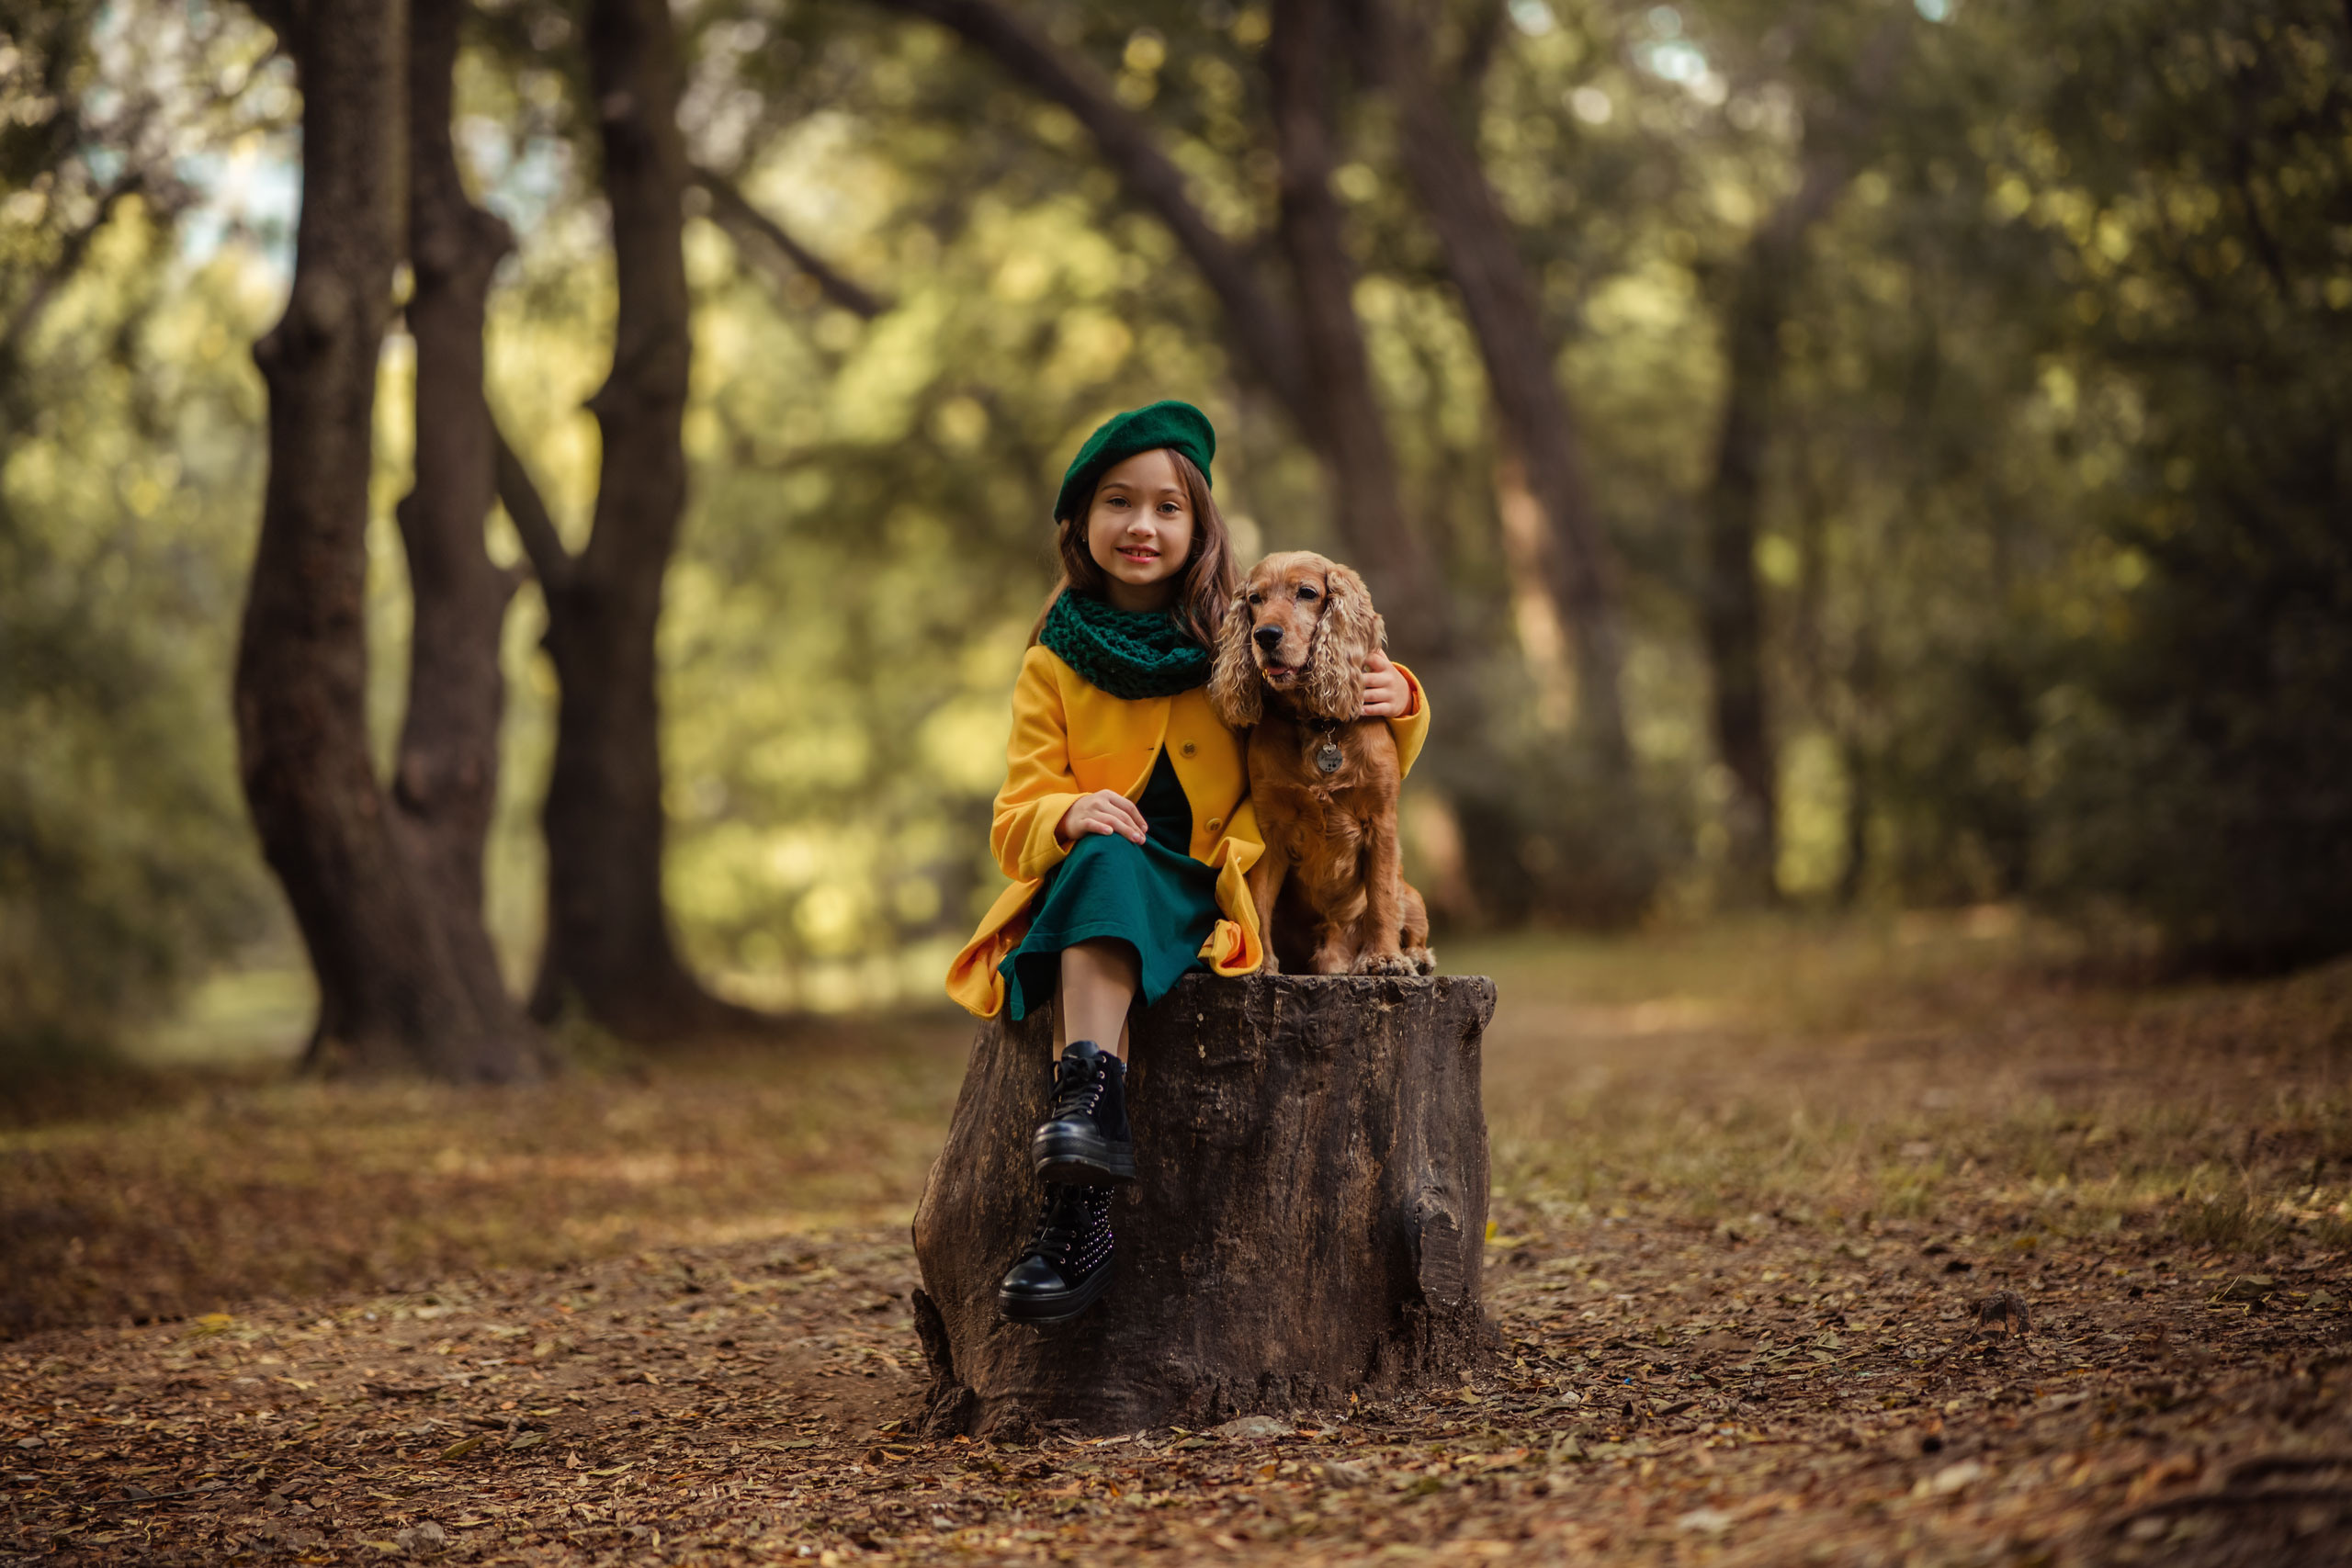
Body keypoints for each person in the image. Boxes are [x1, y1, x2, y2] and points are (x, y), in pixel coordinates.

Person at [944, 400, 1430, 1324]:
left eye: (1168, 507)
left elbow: (1339, 740)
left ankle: (1079, 1165)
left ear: (1200, 526)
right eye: (1118, 503)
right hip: (1114, 883)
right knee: (1101, 859)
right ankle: (1078, 1189)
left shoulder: (1241, 632)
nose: (1142, 525)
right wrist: (1064, 810)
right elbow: (1012, 822)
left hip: (1220, 890)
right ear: (1080, 527)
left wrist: (1400, 693)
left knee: (1116, 874)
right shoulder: (1053, 664)